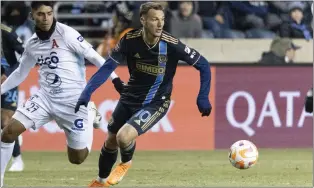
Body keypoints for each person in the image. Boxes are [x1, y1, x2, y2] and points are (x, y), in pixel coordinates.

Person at [74, 2, 212, 187]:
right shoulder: (129, 39)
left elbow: (203, 64)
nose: (160, 24)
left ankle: (126, 163)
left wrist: (202, 97)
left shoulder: (171, 45)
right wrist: (87, 92)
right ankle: (100, 181)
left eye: (162, 19)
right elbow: (107, 68)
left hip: (156, 102)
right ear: (143, 20)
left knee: (123, 137)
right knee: (110, 140)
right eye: (155, 19)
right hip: (129, 96)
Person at [0, 2, 123, 187]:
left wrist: (115, 79)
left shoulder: (67, 33)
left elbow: (95, 57)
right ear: (33, 15)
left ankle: (89, 113)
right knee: (8, 132)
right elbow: (20, 73)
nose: (46, 18)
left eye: (49, 13)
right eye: (41, 14)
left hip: (73, 101)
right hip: (45, 98)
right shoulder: (33, 43)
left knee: (77, 158)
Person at [1, 23, 25, 172]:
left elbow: (24, 54)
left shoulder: (6, 32)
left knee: (6, 121)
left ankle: (17, 160)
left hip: (7, 80)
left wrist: (8, 74)